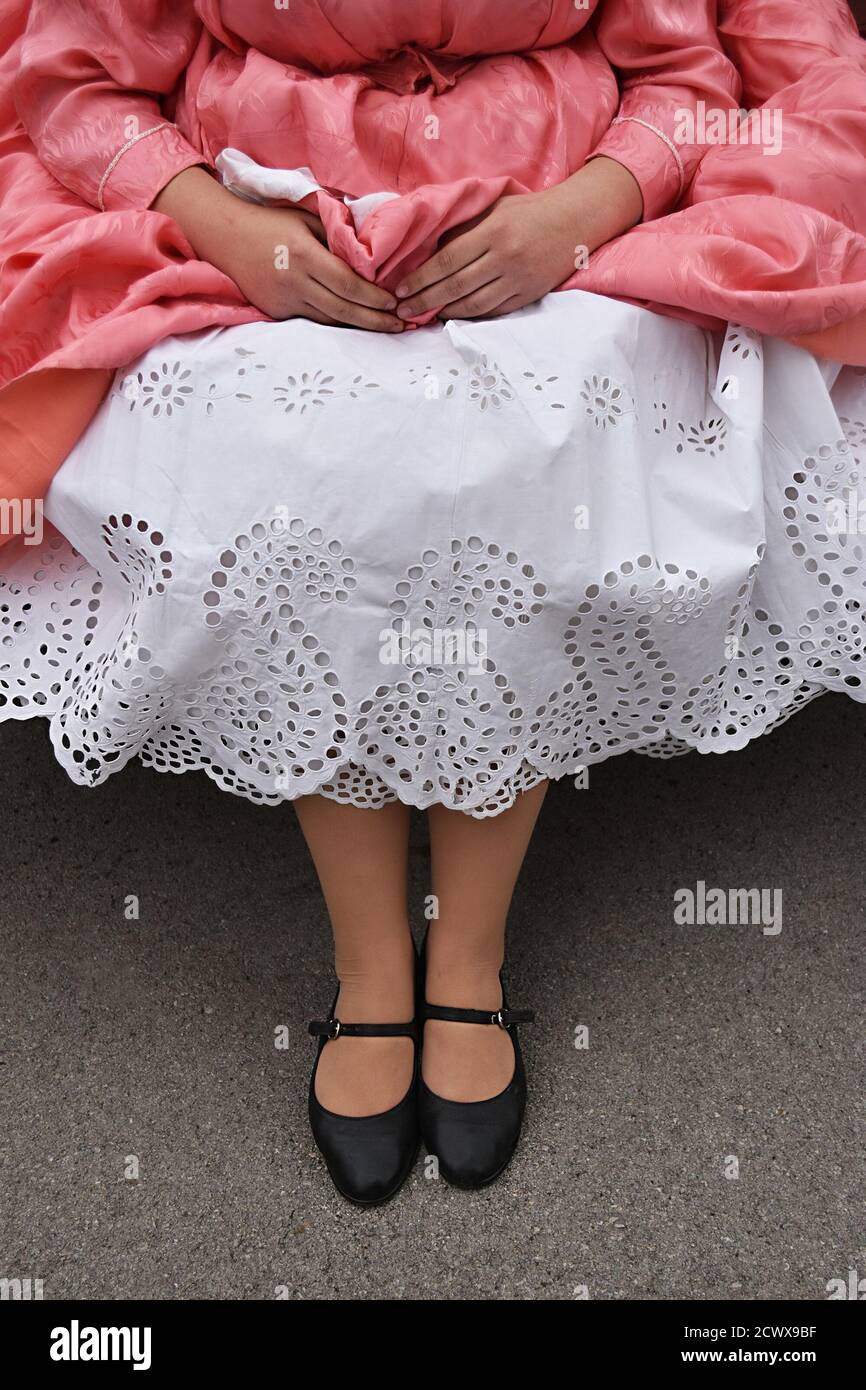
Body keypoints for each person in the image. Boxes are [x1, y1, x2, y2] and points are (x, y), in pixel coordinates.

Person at [2, 1, 865, 1204]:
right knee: (293, 489)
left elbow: (684, 72)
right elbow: (74, 83)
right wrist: (227, 232)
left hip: (556, 216)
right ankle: (371, 972)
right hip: (255, 226)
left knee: (523, 474)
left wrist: (577, 218)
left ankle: (466, 956)